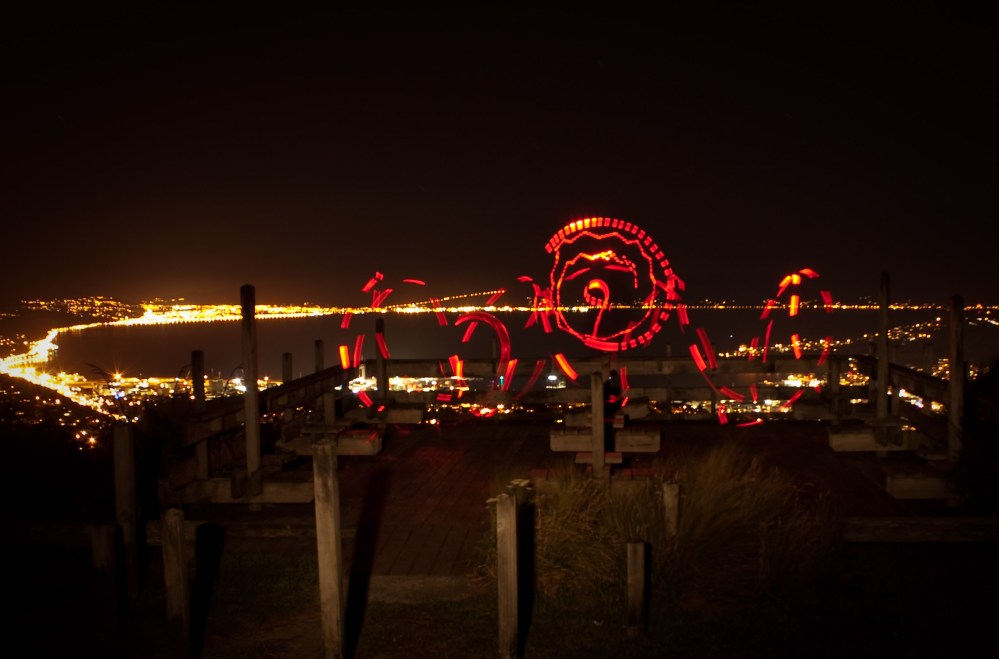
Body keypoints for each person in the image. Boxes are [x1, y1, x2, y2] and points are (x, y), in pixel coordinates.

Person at [603, 369, 622, 453]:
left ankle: (608, 449)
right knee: (610, 432)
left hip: (606, 413)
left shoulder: (606, 385)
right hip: (610, 413)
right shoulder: (615, 387)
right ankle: (611, 449)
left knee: (607, 432)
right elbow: (618, 400)